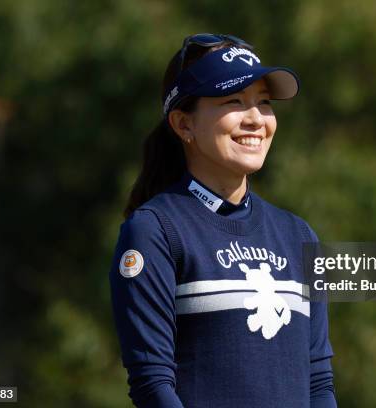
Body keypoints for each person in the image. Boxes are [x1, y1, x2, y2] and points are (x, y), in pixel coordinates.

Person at [109, 33, 336, 408]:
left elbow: (319, 382)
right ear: (184, 125)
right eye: (234, 101)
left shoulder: (299, 235)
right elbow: (152, 384)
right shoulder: (154, 231)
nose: (255, 120)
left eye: (263, 103)